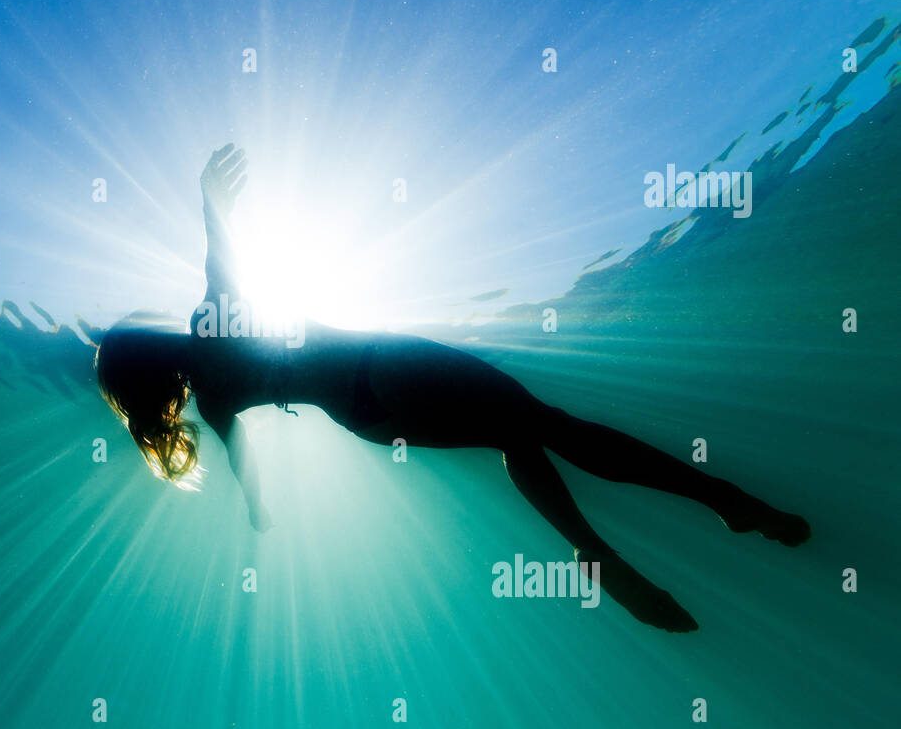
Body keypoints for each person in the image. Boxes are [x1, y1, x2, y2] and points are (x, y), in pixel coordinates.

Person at [95, 145, 810, 631]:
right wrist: (209, 200)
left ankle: (595, 555)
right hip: (381, 365)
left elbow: (243, 455)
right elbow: (224, 260)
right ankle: (723, 501)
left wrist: (257, 510)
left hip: (368, 417)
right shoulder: (206, 321)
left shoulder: (214, 399)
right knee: (545, 424)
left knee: (514, 438)